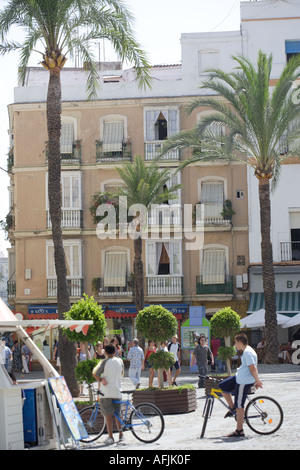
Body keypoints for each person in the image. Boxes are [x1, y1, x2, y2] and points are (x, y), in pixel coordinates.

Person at [218, 333, 263, 438]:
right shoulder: (247, 350)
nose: (235, 344)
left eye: (235, 342)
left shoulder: (247, 353)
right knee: (222, 386)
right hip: (239, 377)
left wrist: (257, 381)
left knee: (240, 405)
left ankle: (239, 430)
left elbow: (252, 368)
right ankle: (232, 408)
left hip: (243, 381)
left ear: (240, 342)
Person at [93, 343, 124, 445]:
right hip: (117, 391)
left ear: (105, 353)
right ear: (115, 352)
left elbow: (95, 373)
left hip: (106, 392)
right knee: (118, 414)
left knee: (108, 415)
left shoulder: (104, 362)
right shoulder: (120, 361)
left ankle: (110, 437)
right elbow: (122, 374)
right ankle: (121, 435)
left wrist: (101, 379)